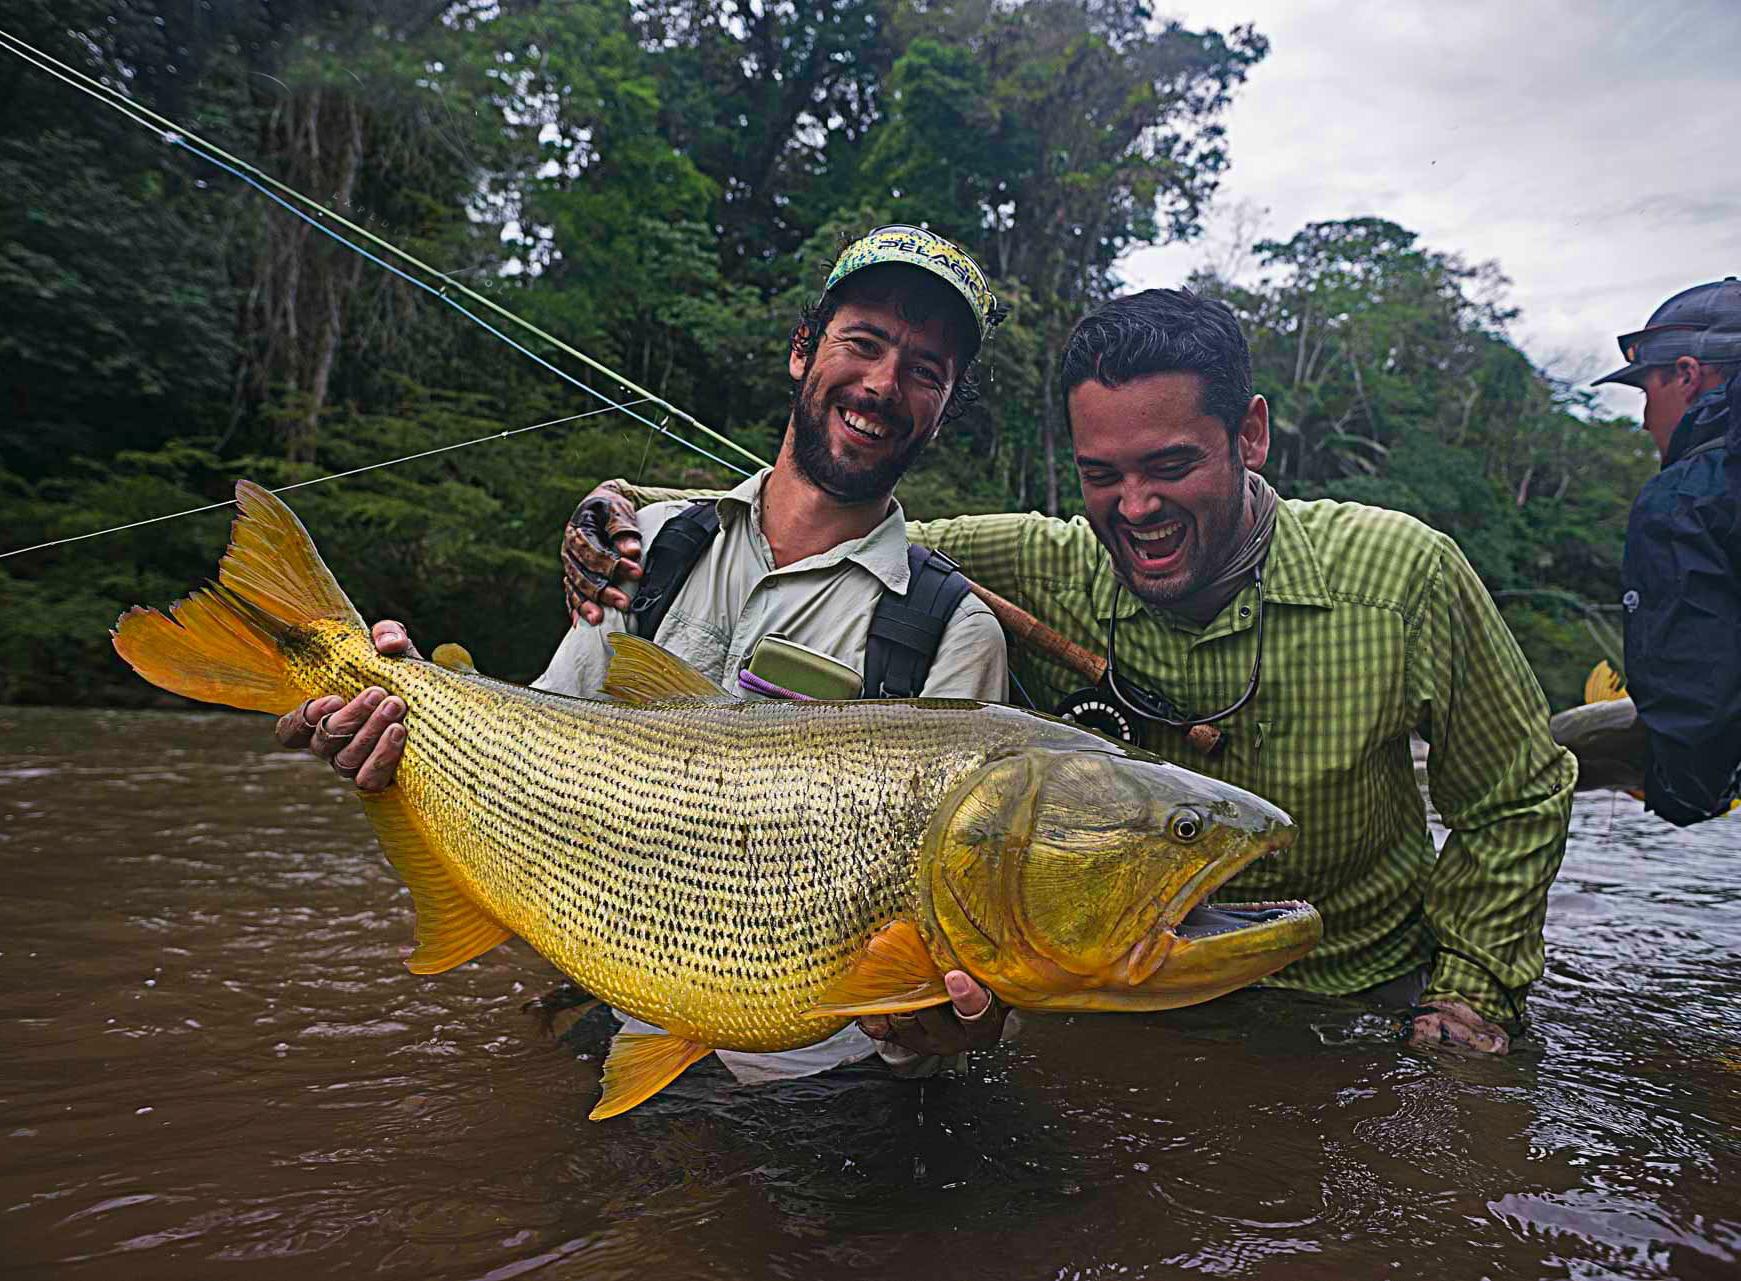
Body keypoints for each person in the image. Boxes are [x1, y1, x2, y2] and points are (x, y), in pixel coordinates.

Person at [570, 287, 1578, 1056]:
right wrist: (618, 509)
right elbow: (823, 517)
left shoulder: (1403, 577)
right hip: (1109, 1002)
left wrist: (1469, 996)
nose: (1134, 507)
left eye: (1170, 466)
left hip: (1352, 1005)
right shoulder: (1046, 562)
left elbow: (1516, 794)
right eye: (1102, 475)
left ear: (1251, 437)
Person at [275, 225, 1015, 1081]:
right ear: (802, 350)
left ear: (944, 409)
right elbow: (528, 759)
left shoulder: (955, 634)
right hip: (603, 1016)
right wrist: (401, 728)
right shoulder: (648, 544)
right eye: (864, 342)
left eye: (925, 371)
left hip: (818, 1088)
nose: (884, 384)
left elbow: (958, 970)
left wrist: (954, 1028)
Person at [1592, 278, 1741, 826]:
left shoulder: (1688, 495)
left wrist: (1680, 787)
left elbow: (1693, 703)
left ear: (1687, 374)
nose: (1645, 418)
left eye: (1646, 391)